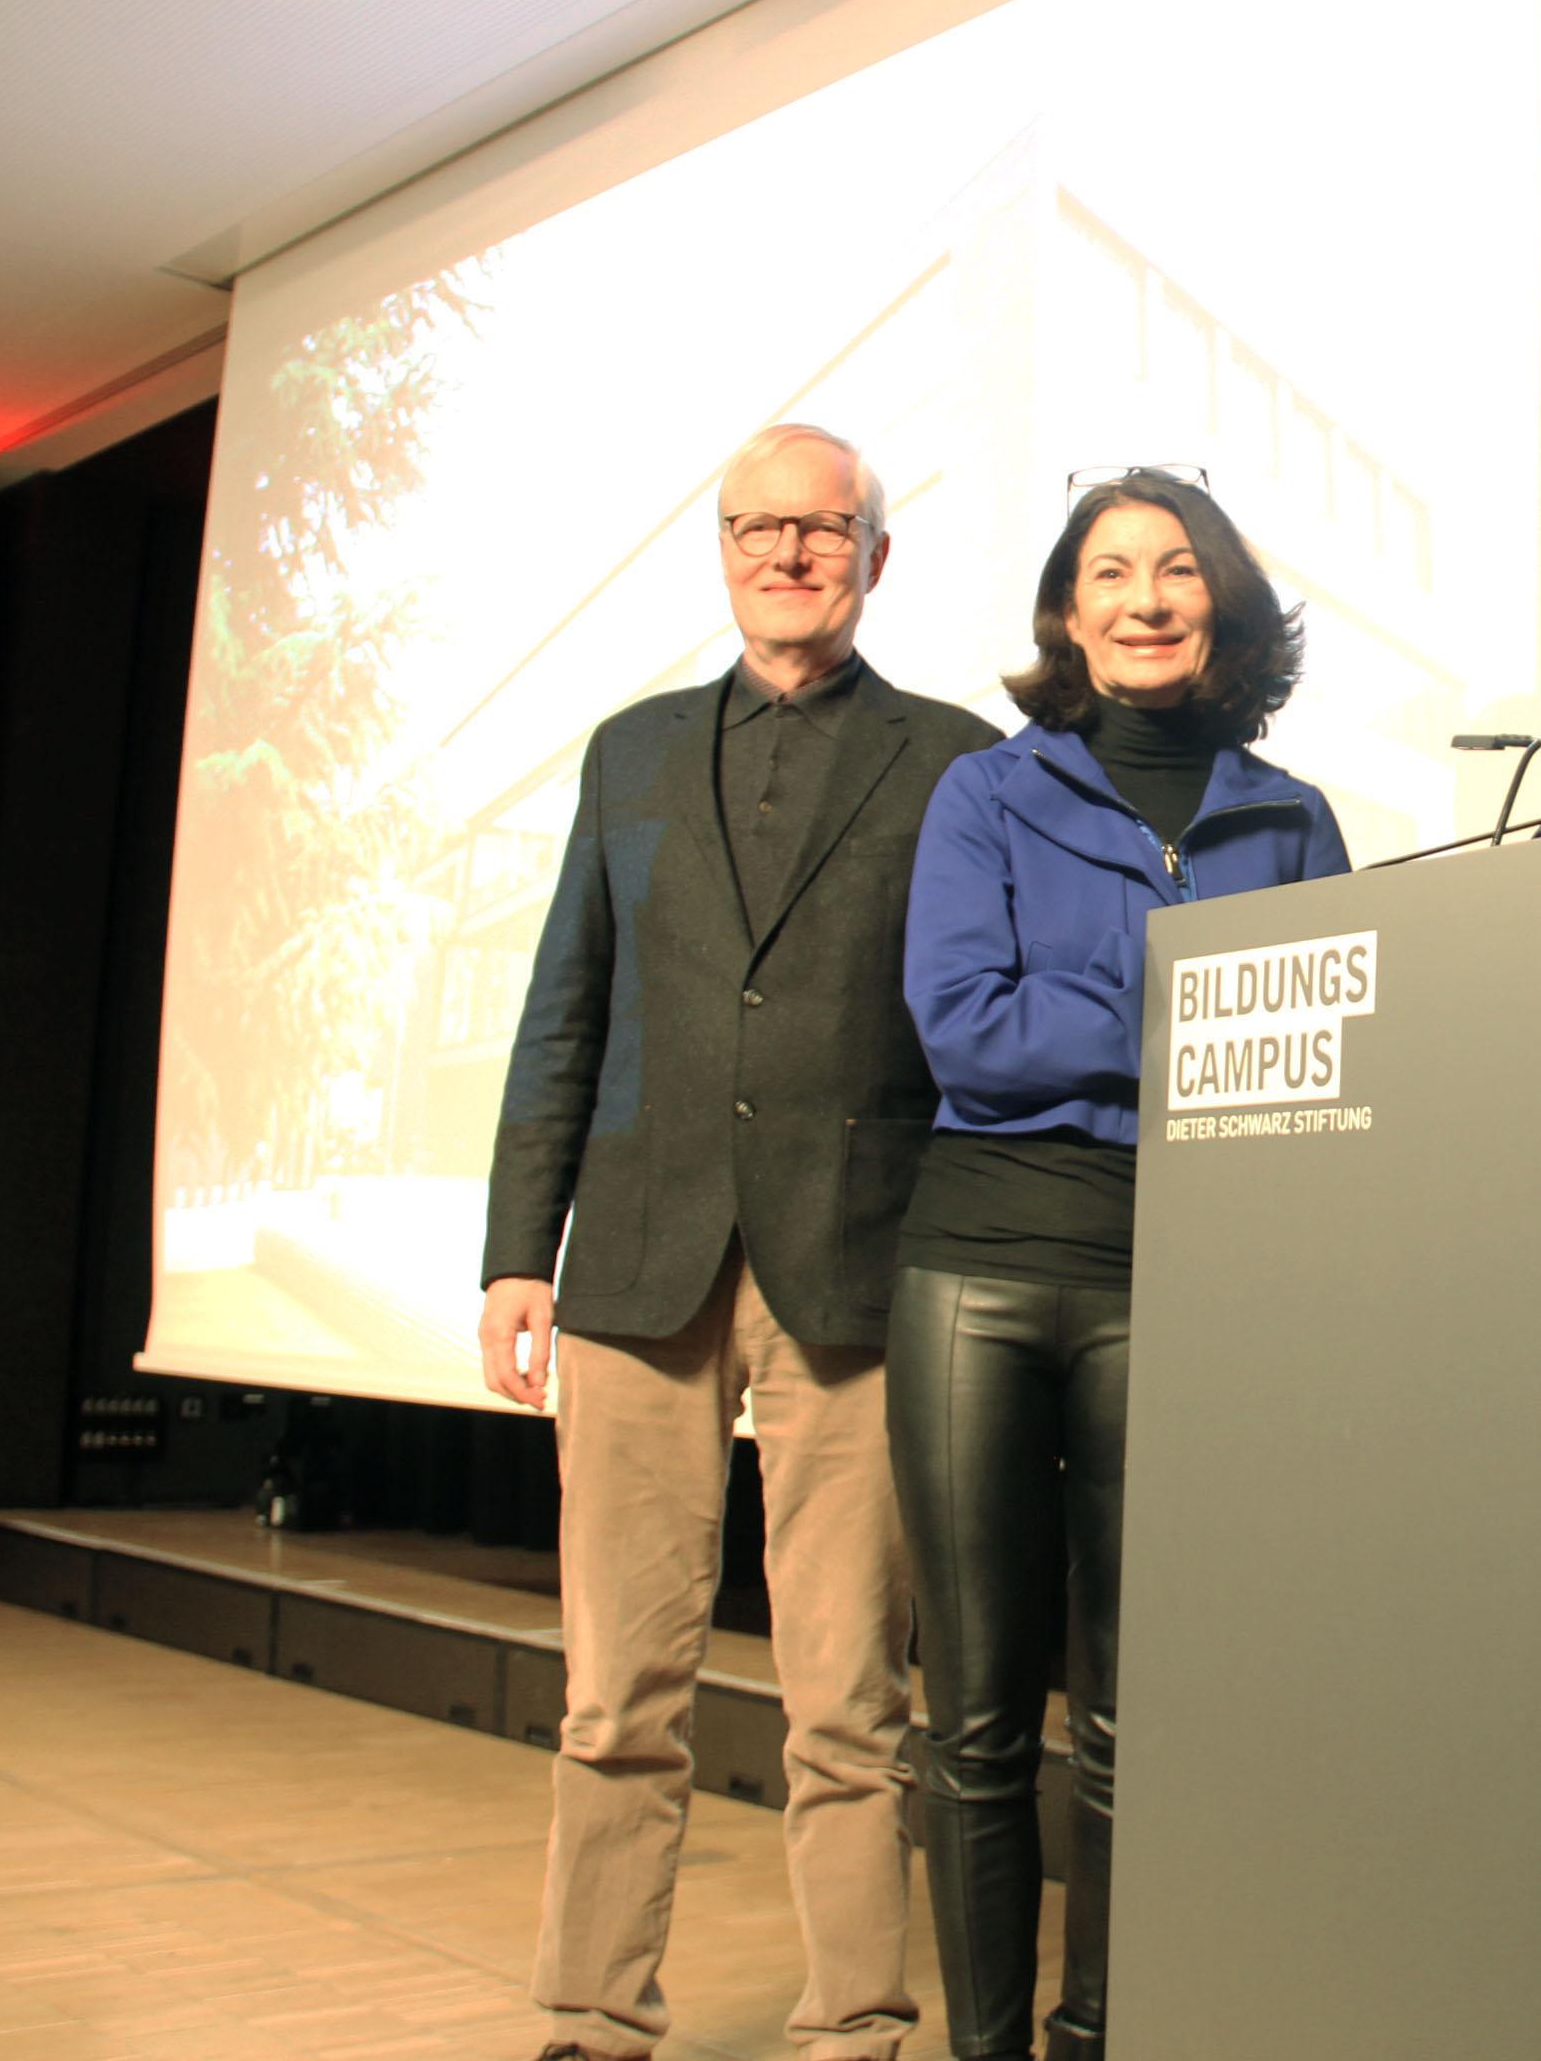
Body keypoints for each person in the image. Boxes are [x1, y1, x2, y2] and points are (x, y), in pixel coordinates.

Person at [479, 421, 1000, 2061]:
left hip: (860, 1272)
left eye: (823, 529)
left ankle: (855, 2027)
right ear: (720, 549)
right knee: (615, 1692)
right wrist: (517, 1253)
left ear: (875, 557)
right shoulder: (626, 754)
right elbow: (567, 1012)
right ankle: (588, 2015)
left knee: (851, 1704)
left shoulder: (954, 758)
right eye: (758, 528)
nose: (788, 553)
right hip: (639, 1266)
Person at [892, 469, 1348, 2061]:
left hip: (1189, 1286)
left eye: (1174, 570)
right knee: (974, 1721)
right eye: (1110, 572)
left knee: (1143, 1725)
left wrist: (1116, 1018)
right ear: (1067, 611)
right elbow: (966, 1029)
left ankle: (1101, 2035)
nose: (1144, 598)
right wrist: (1195, 1004)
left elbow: (1316, 1056)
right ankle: (985, 2048)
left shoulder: (1294, 817)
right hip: (980, 1279)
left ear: (1218, 602)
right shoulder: (987, 793)